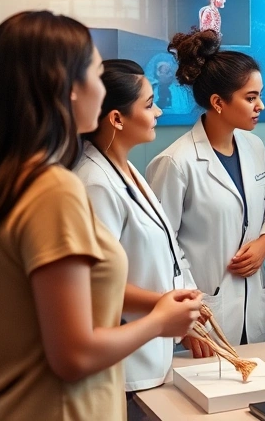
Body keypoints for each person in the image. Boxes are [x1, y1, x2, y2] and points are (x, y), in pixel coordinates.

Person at [0, 11, 201, 420]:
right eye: (95, 74)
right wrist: (160, 321)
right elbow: (73, 356)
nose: (102, 87)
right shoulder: (53, 190)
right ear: (67, 88)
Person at [147, 29, 265, 355]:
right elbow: (161, 250)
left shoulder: (255, 147)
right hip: (204, 314)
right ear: (219, 102)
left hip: (253, 306)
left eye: (260, 95)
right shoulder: (175, 162)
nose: (260, 105)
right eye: (250, 98)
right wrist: (188, 314)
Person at [75, 59, 194, 413]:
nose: (158, 111)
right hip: (125, 357)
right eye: (148, 104)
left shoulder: (128, 170)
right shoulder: (95, 183)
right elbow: (97, 283)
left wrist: (181, 307)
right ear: (116, 118)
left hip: (152, 350)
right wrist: (165, 308)